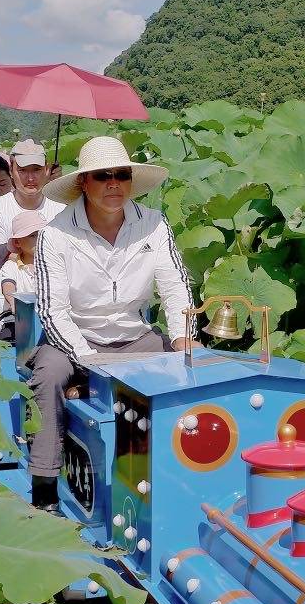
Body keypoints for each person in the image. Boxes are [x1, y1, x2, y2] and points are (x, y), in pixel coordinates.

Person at [26, 136, 195, 505]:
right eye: (103, 176)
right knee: (49, 375)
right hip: (74, 340)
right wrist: (90, 362)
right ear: (83, 183)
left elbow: (175, 286)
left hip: (136, 337)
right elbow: (52, 312)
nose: (114, 183)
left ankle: (179, 475)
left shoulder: (154, 224)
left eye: (122, 174)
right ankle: (44, 486)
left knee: (189, 369)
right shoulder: (55, 234)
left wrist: (184, 338)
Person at [0, 208, 46, 334]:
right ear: (18, 242)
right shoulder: (11, 266)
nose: (39, 239)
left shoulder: (52, 263)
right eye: (33, 235)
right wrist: (13, 302)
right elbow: (8, 286)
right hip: (16, 321)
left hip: (47, 320)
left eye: (42, 234)